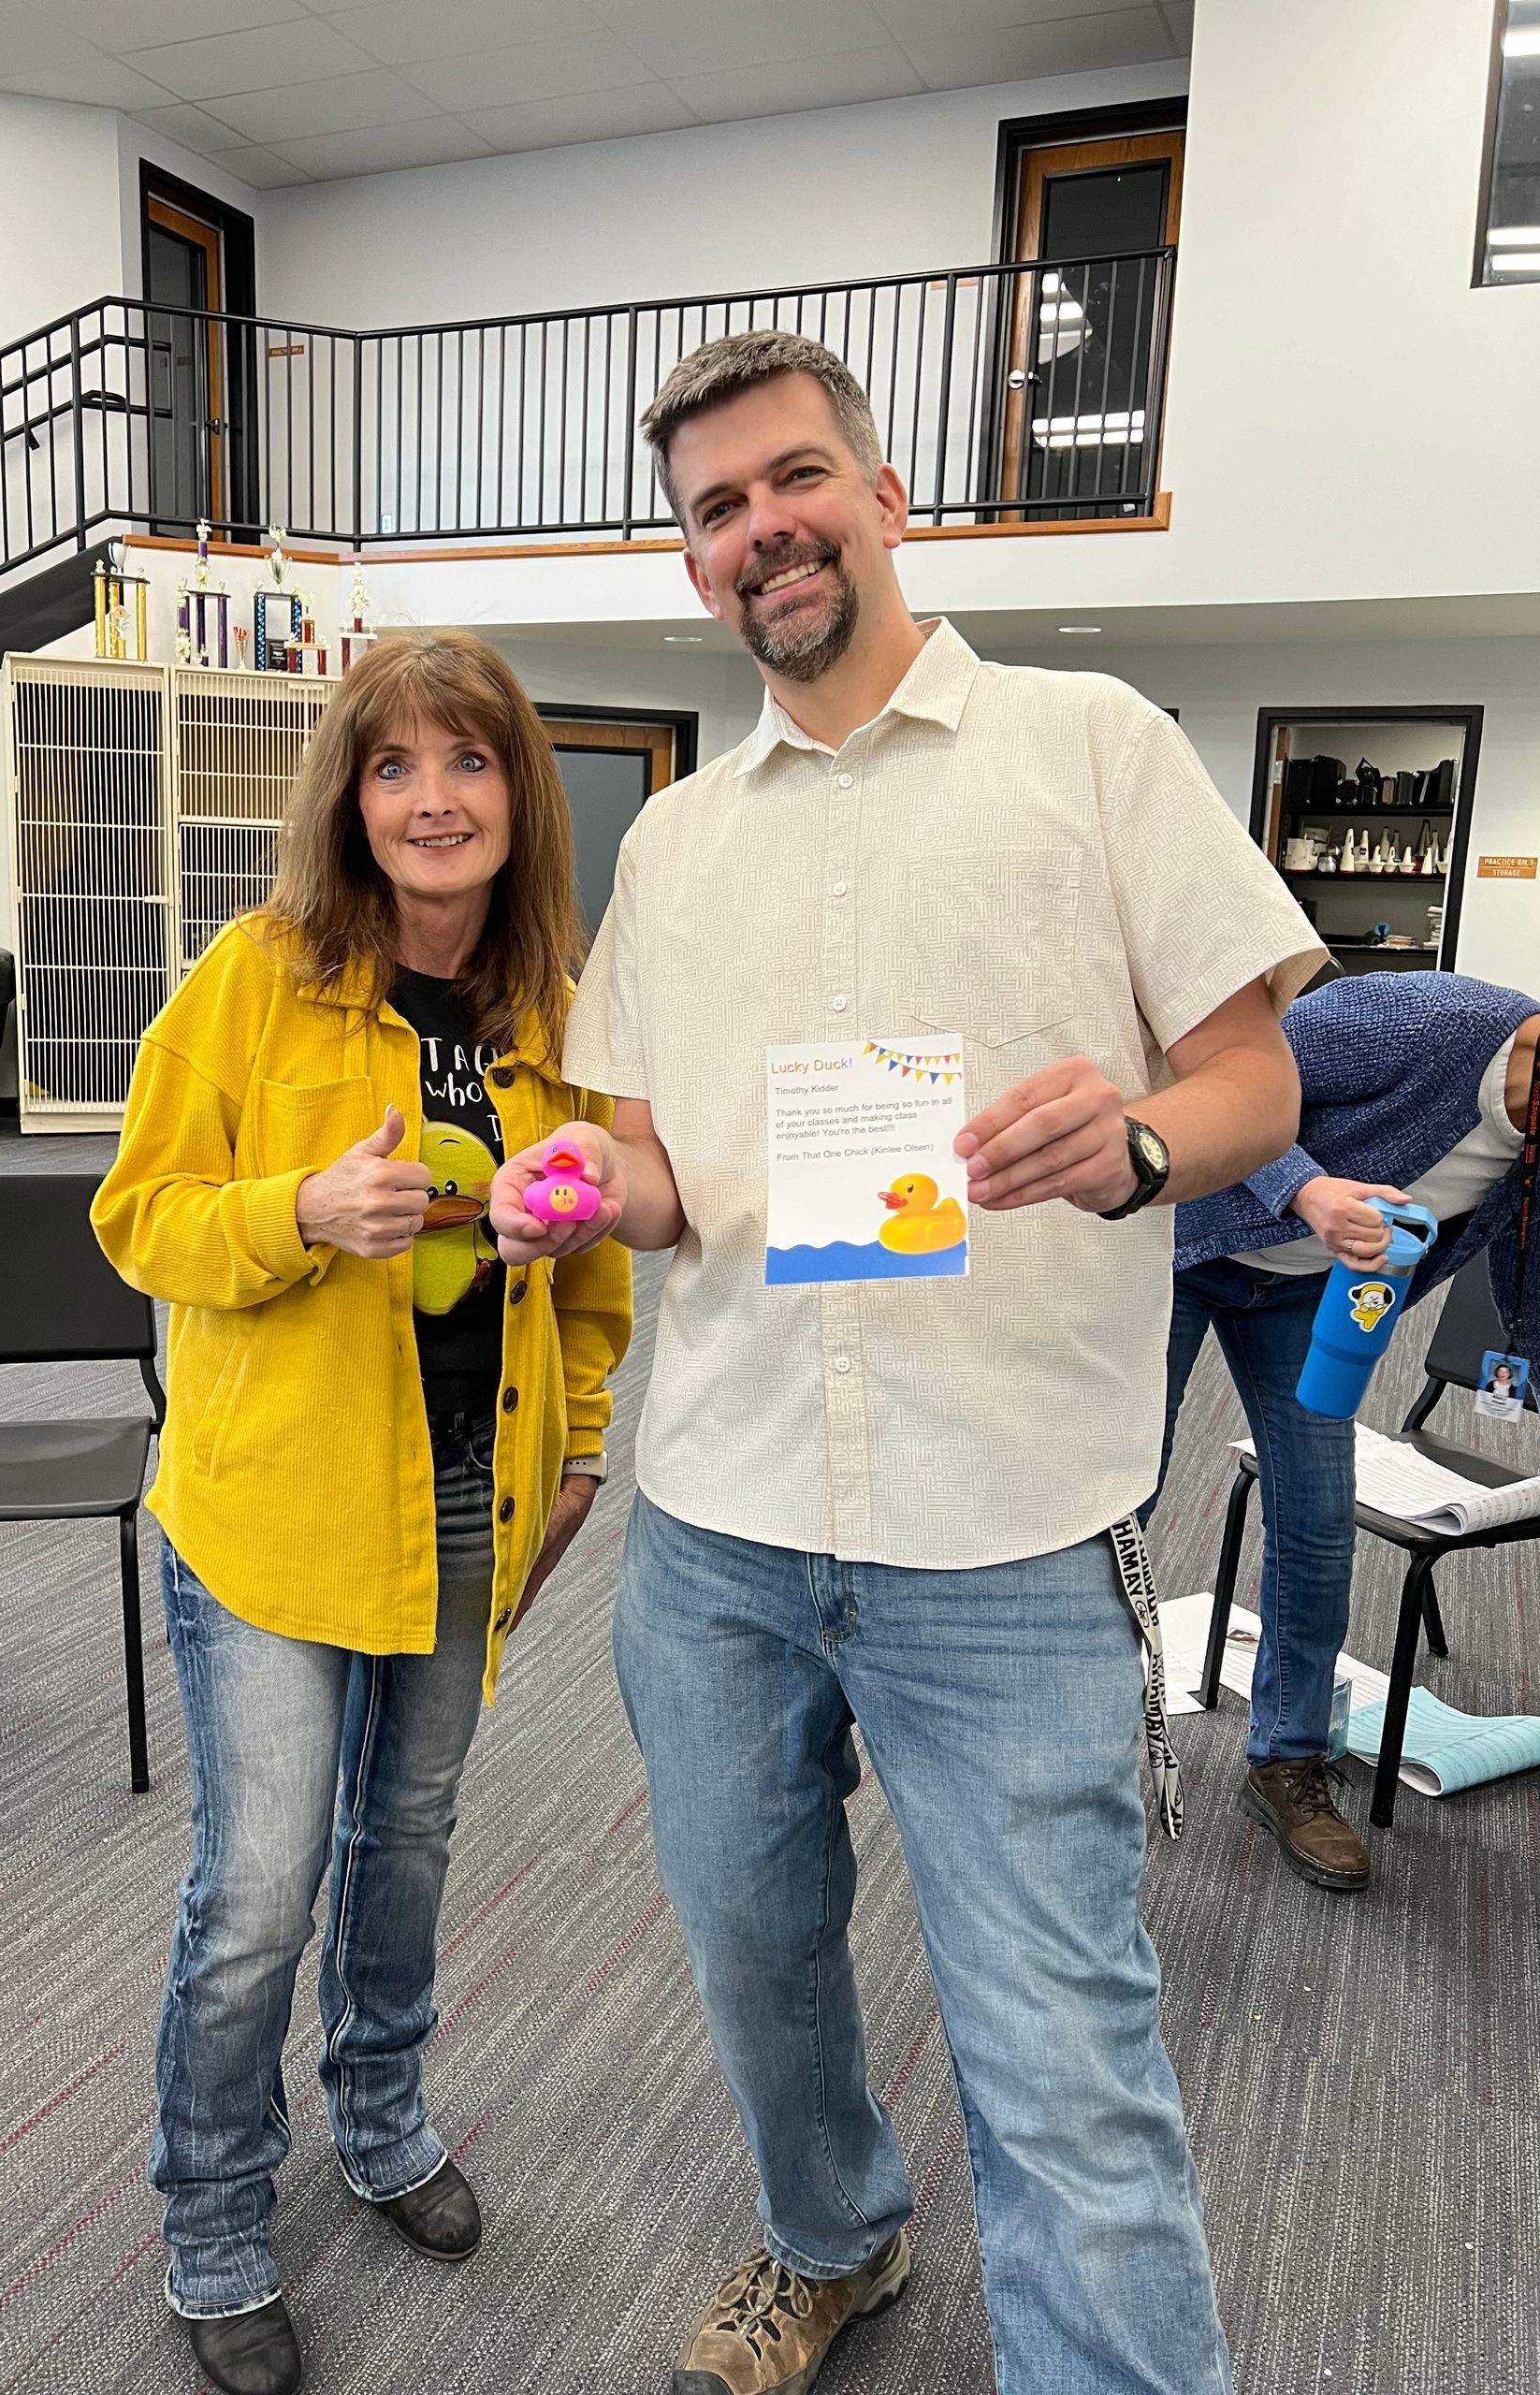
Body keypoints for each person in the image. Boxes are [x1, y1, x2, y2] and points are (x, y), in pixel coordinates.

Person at [487, 328, 1323, 2395]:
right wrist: (589, 1173)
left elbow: (1257, 1076)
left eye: (792, 479)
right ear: (694, 568)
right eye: (714, 509)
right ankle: (832, 2232)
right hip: (716, 1528)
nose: (759, 526)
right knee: (762, 1972)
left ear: (882, 494)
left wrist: (1137, 1143)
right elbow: (666, 1165)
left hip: (1007, 1534)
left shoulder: (1093, 744)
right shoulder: (676, 847)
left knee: (1066, 2063)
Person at [91, 631, 632, 2395]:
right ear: (352, 795)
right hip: (274, 1508)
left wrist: (576, 1451)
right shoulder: (255, 978)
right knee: (257, 1886)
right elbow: (139, 1216)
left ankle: (383, 2116)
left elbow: (600, 1244)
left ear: (514, 798)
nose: (432, 799)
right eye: (395, 766)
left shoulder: (558, 1002)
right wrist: (298, 1213)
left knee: (405, 1850)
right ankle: (214, 2207)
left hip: (473, 1503)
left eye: (468, 764)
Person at [1155, 970, 1540, 1893]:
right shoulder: (1425, 1022)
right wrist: (1310, 1191)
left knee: (1318, 1515)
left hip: (1308, 1300)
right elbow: (1225, 1083)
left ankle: (1287, 1758)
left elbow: (1534, 1300)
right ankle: (1073, 1744)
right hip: (1187, 1248)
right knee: (1124, 1492)